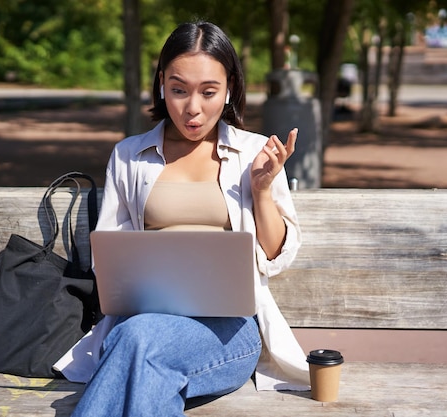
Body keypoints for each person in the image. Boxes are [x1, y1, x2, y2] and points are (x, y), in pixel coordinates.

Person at [54, 21, 310, 416]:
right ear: (161, 84)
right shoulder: (128, 156)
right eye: (178, 90)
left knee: (138, 344)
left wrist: (261, 190)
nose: (192, 108)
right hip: (142, 324)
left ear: (230, 89)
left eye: (209, 92)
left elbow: (276, 258)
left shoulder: (255, 153)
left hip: (228, 333)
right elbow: (111, 258)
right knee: (144, 353)